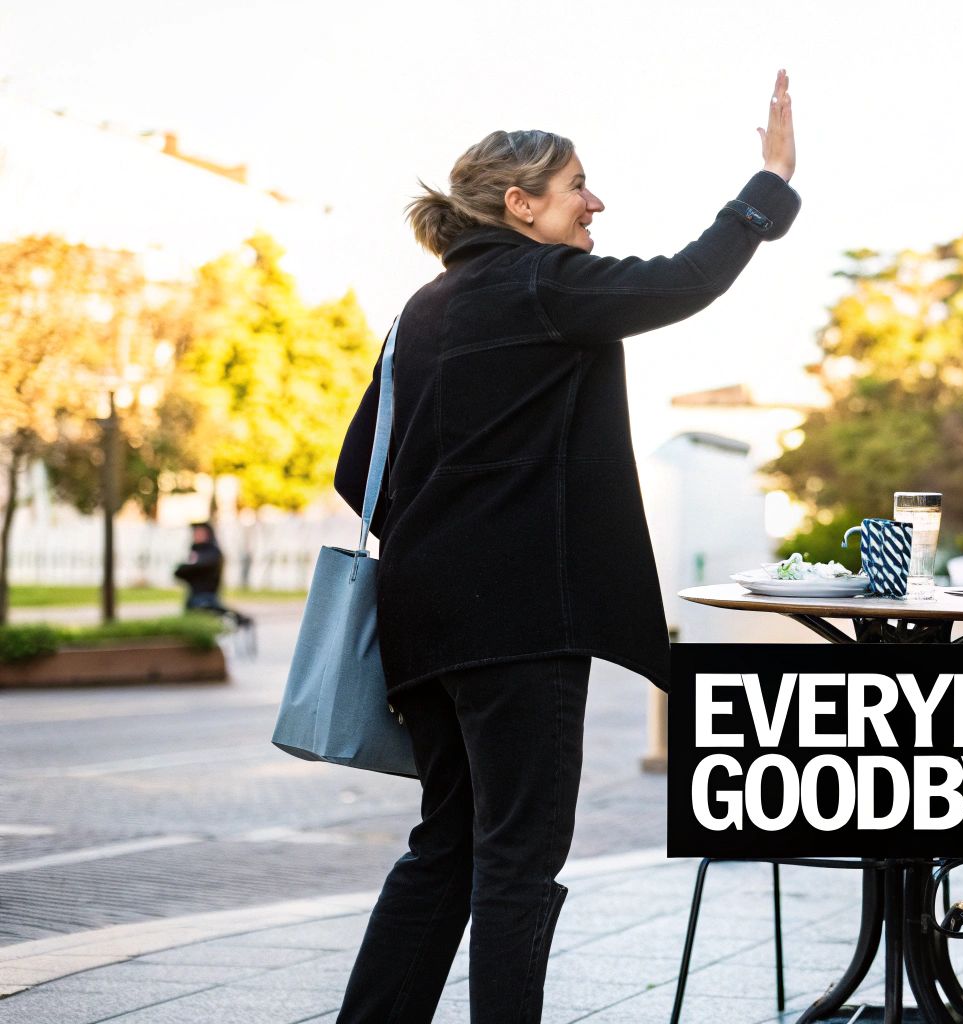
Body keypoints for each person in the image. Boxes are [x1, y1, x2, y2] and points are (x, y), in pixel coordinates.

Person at [329, 72, 799, 1024]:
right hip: (519, 627)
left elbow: (356, 474)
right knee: (516, 861)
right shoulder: (541, 283)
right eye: (577, 184)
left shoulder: (417, 313)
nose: (595, 202)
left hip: (420, 627)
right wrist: (770, 184)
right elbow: (683, 278)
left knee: (448, 847)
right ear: (520, 204)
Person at [173, 522, 225, 612]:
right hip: (193, 596)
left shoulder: (212, 552)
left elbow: (200, 566)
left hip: (207, 597)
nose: (196, 535)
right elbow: (179, 572)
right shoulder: (194, 551)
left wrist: (190, 568)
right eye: (195, 533)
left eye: (200, 532)